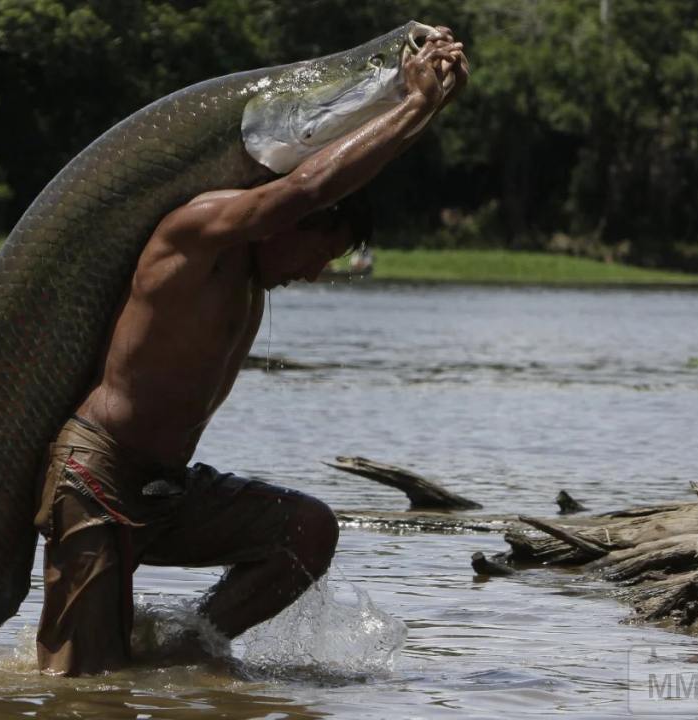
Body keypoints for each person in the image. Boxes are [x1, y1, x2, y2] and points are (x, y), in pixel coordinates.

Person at [33, 32, 470, 676]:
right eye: (322, 253)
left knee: (306, 531)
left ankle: (185, 646)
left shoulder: (249, 285)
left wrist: (428, 104)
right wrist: (413, 105)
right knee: (83, 691)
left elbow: (313, 192)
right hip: (97, 478)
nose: (316, 273)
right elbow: (303, 188)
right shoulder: (198, 231)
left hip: (166, 487)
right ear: (289, 224)